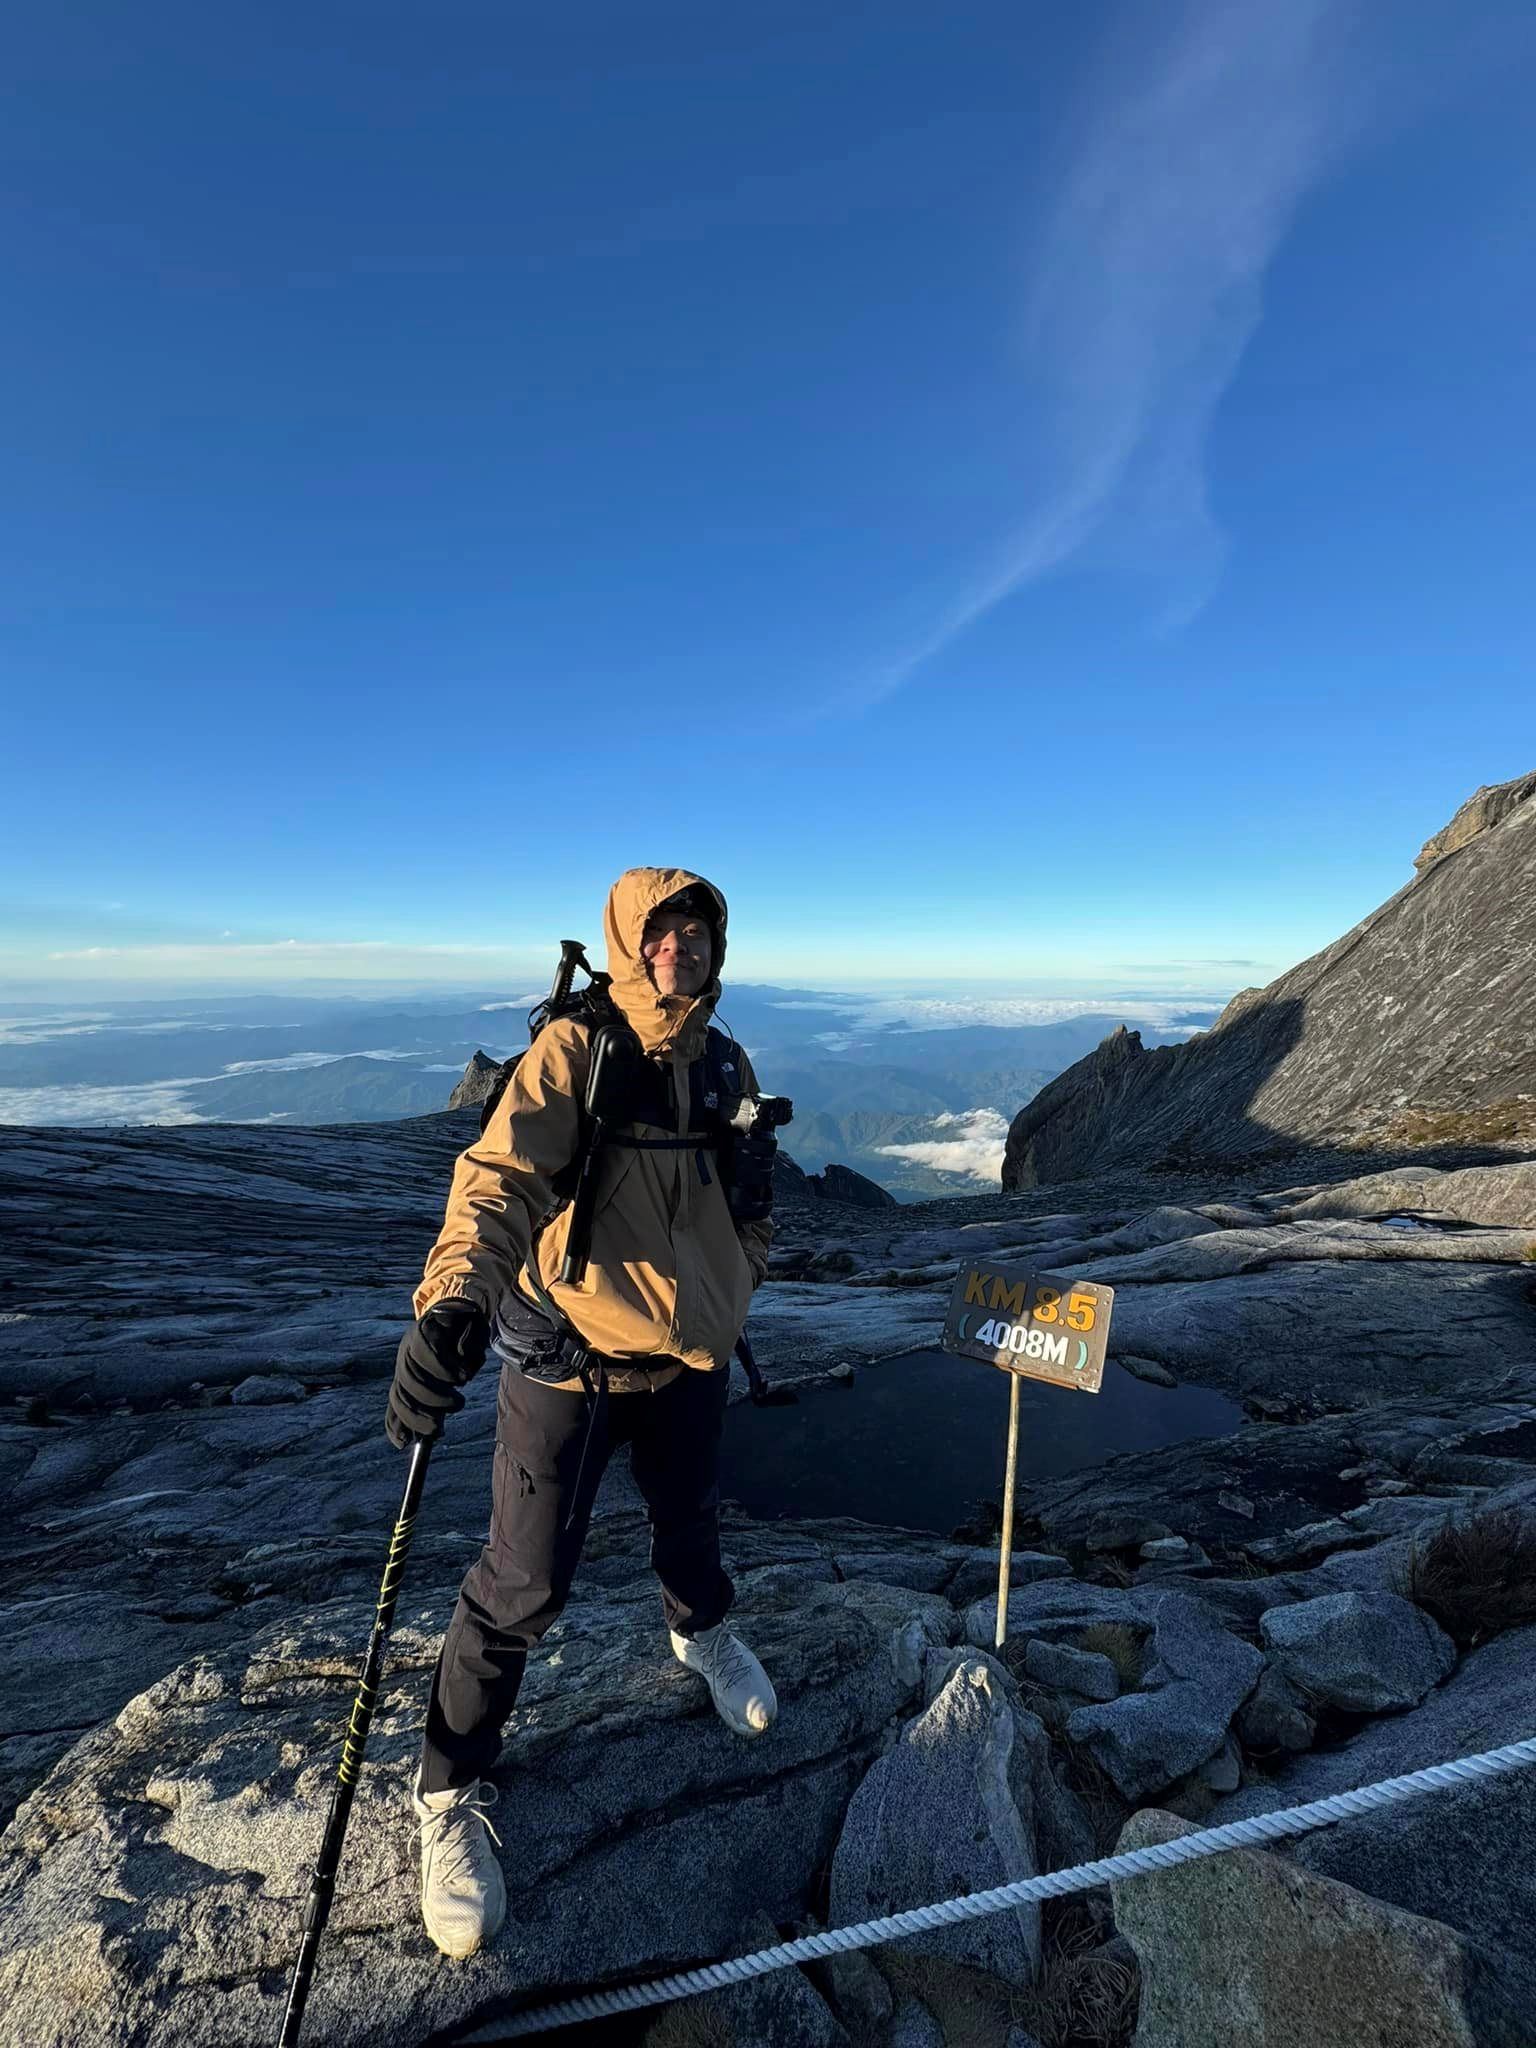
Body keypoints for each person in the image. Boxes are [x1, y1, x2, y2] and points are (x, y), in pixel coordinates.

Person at [386, 867, 778, 1960]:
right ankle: (448, 1793)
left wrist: (732, 1286)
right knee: (522, 1581)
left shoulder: (725, 1062)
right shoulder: (574, 1053)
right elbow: (499, 1179)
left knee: (690, 1520)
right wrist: (455, 1300)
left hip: (688, 1358)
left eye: (697, 930)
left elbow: (751, 1202)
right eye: (660, 931)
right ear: (624, 942)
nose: (681, 946)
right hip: (570, 1367)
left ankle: (704, 1634)